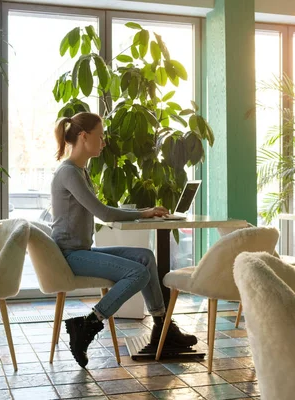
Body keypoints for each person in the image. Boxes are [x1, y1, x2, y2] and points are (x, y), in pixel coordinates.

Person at [51, 111, 197, 368]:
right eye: (100, 136)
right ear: (84, 137)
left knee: (146, 257)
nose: (104, 142)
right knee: (137, 273)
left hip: (82, 250)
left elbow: (103, 211)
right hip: (70, 255)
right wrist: (145, 212)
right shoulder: (69, 173)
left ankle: (163, 328)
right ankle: (88, 325)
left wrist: (145, 212)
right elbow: (103, 212)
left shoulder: (80, 172)